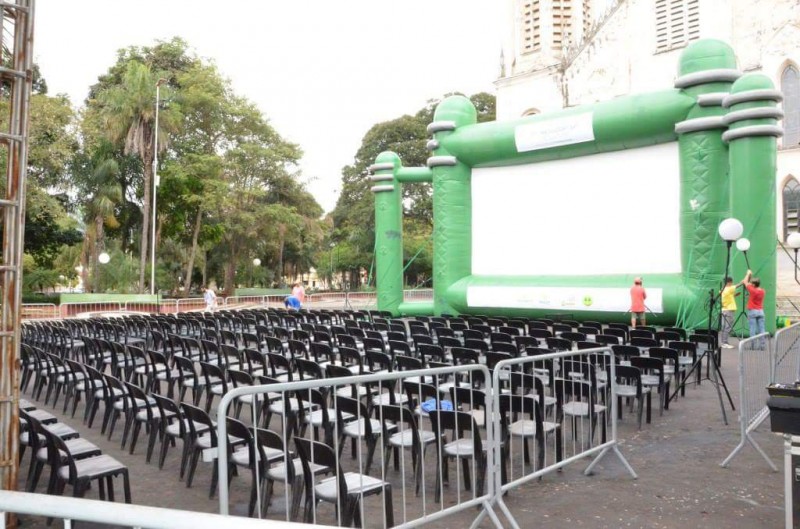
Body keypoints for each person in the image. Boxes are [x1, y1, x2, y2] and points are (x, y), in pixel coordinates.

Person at [743, 269, 766, 346]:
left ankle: (753, 345)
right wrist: (751, 281)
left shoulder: (752, 290)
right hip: (760, 311)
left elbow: (745, 282)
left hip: (753, 311)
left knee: (752, 328)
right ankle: (762, 345)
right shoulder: (762, 291)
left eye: (752, 283)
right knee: (762, 329)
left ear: (753, 284)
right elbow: (750, 284)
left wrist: (748, 273)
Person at [720, 276, 742, 348]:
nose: (732, 284)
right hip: (729, 310)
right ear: (729, 282)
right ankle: (725, 342)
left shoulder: (722, 290)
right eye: (731, 282)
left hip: (724, 310)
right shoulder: (729, 288)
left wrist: (734, 295)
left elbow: (727, 297)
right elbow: (740, 284)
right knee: (728, 327)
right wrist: (748, 274)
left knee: (724, 327)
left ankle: (723, 342)